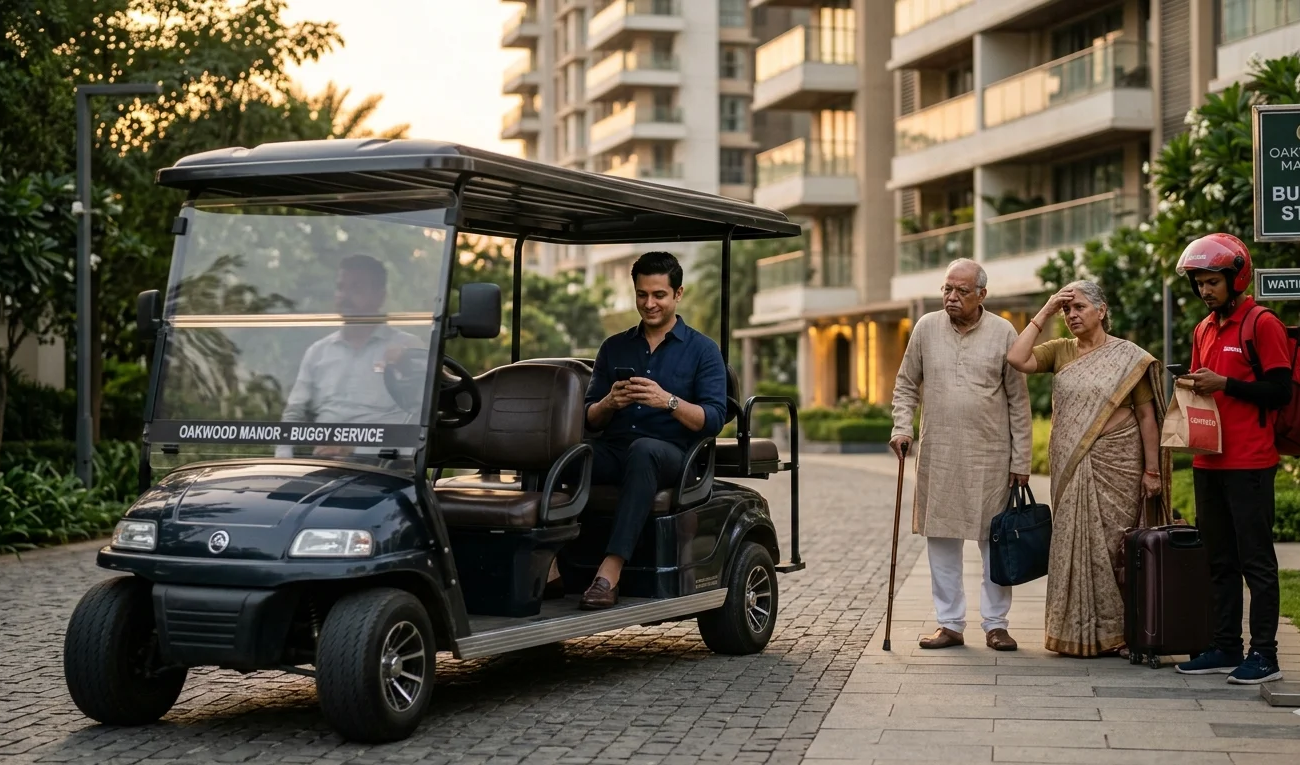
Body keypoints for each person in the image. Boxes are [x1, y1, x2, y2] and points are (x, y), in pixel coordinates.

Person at [1007, 280, 1170, 658]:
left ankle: (1123, 631)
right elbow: (1017, 358)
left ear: (1102, 310)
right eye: (1066, 310)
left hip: (1121, 465)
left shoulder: (1129, 357)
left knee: (1116, 547)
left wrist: (1152, 471)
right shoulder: (1060, 351)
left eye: (1078, 307)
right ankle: (1079, 633)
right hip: (1072, 465)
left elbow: (1147, 415)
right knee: (1075, 544)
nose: (1071, 315)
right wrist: (1045, 310)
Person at [565, 251, 727, 611]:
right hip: (616, 449)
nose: (649, 304)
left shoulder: (703, 351)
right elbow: (590, 419)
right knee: (564, 458)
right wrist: (609, 402)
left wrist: (667, 401)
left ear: (678, 294)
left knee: (644, 451)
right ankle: (550, 563)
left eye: (659, 295)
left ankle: (610, 572)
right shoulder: (614, 346)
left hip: (674, 456)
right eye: (642, 295)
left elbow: (715, 418)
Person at [890, 258, 1032, 651]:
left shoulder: (1004, 331)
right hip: (940, 452)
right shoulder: (925, 328)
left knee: (995, 540)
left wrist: (1022, 460)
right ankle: (949, 623)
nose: (952, 297)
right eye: (947, 289)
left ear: (982, 294)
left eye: (961, 291)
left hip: (991, 455)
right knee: (942, 538)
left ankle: (996, 624)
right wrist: (902, 428)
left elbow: (1019, 402)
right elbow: (905, 385)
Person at [1172, 233, 1287, 685]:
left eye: (1212, 281)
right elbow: (1209, 386)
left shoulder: (1262, 323)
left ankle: (1265, 655)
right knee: (1219, 559)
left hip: (1251, 462)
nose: (1205, 290)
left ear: (1235, 278)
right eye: (1199, 283)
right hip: (1209, 461)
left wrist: (1226, 385)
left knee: (1256, 560)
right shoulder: (1203, 329)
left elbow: (1280, 391)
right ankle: (1224, 646)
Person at [278, 254, 423, 458]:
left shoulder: (406, 349)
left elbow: (417, 420)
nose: (345, 296)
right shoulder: (317, 352)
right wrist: (283, 460)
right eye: (340, 288)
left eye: (356, 288)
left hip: (384, 470)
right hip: (320, 467)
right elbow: (295, 412)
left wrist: (356, 450)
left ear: (379, 297)